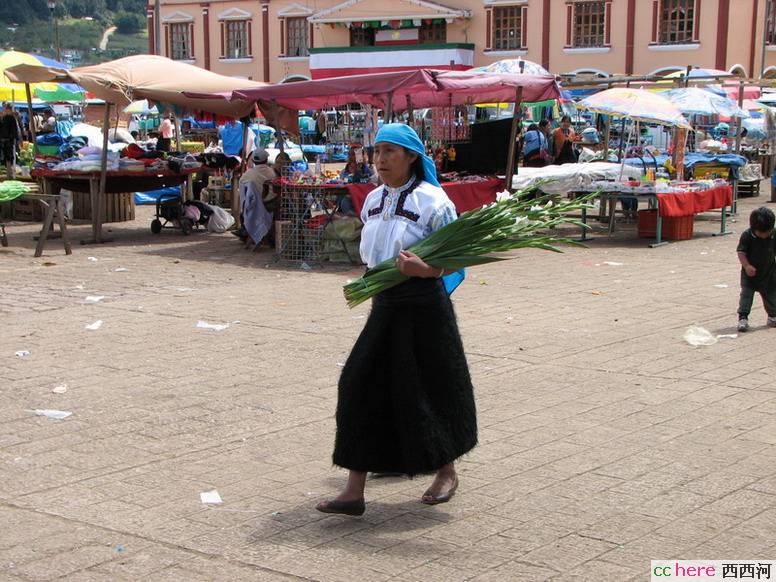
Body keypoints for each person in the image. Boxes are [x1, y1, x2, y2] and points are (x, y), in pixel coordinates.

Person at [315, 123, 477, 517]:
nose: (381, 159)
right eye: (377, 151)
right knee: (358, 382)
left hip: (425, 306)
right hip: (385, 302)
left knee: (429, 386)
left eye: (390, 151)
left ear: (411, 157)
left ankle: (446, 471)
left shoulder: (433, 201)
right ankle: (354, 491)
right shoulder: (371, 199)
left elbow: (458, 257)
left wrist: (428, 271)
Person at [736, 206, 776, 332]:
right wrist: (746, 265)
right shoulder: (747, 236)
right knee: (746, 297)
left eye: (767, 232)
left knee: (772, 297)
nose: (764, 235)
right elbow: (741, 252)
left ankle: (772, 316)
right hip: (750, 275)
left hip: (769, 273)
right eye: (761, 233)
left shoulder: (774, 234)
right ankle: (743, 318)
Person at [0, 104, 22, 180]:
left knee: (9, 158)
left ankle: (9, 174)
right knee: (7, 158)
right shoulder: (3, 117)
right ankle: (9, 174)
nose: (5, 110)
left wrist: (13, 139)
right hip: (5, 140)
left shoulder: (11, 118)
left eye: (7, 108)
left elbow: (15, 130)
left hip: (8, 141)